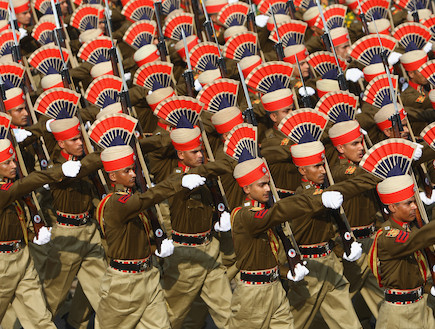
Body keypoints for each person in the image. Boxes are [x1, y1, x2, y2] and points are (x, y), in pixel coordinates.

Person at [95, 144, 206, 328]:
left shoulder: (131, 197)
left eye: (132, 169)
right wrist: (178, 183)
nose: (132, 174)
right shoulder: (117, 202)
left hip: (148, 275)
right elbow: (145, 199)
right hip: (123, 284)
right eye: (126, 171)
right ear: (113, 176)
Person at [0, 137, 82, 327]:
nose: (14, 165)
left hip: (21, 257)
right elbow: (24, 184)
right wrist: (58, 171)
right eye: (7, 162)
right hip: (2, 264)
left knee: (41, 320)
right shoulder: (5, 191)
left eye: (13, 160)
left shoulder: (8, 186)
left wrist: (31, 234)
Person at [369, 174, 435, 329]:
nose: (414, 206)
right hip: (398, 314)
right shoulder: (388, 236)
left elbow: (410, 271)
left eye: (414, 202)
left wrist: (427, 287)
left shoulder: (409, 228)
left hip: (421, 307)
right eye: (409, 203)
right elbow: (416, 239)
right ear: (392, 207)